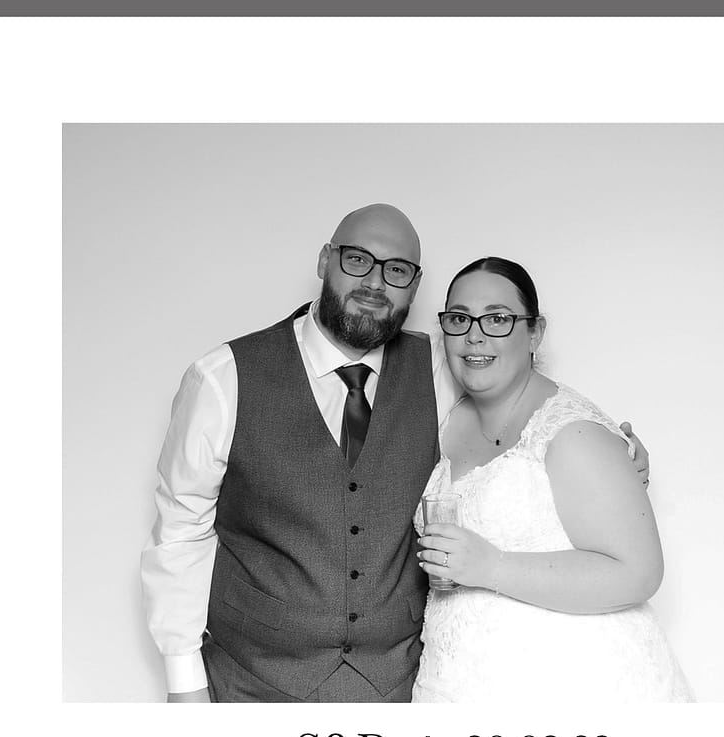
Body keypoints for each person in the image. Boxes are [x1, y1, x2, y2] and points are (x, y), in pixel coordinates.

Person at [141, 205, 649, 702]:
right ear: (324, 260)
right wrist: (184, 684)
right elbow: (180, 530)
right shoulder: (222, 378)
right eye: (357, 260)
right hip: (252, 681)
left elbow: (521, 405)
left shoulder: (439, 365)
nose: (375, 282)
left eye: (397, 270)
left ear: (415, 284)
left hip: (400, 685)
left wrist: (613, 448)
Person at [413, 257, 693, 703]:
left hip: (576, 683)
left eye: (499, 318)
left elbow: (639, 573)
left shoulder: (573, 432)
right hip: (460, 680)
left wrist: (491, 568)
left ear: (535, 333)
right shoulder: (445, 414)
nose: (475, 335)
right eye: (460, 318)